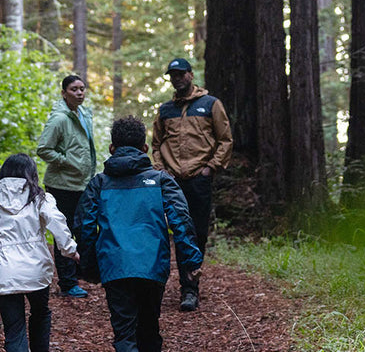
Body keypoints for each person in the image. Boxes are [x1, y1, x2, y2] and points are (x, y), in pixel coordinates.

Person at [77, 117, 203, 352]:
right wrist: (191, 262)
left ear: (112, 149)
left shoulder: (99, 183)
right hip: (152, 266)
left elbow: (84, 225)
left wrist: (89, 265)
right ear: (145, 148)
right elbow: (182, 222)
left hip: (114, 266)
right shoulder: (161, 181)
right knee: (149, 328)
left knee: (124, 333)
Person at [0, 153, 80, 352]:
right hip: (36, 269)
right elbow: (56, 221)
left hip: (7, 271)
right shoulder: (40, 197)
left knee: (15, 331)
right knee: (40, 314)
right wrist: (70, 250)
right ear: (31, 173)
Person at [149, 58, 232, 312]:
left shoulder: (210, 104)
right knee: (174, 233)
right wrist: (162, 171)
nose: (177, 78)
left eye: (181, 73)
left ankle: (191, 286)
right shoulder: (165, 110)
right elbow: (155, 145)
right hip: (173, 181)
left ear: (190, 74)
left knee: (197, 233)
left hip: (199, 179)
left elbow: (225, 140)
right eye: (173, 75)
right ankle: (178, 287)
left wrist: (210, 168)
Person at [35, 75, 98, 298]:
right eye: (74, 89)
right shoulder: (59, 119)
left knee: (81, 229)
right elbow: (43, 148)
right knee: (64, 232)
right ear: (64, 93)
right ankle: (67, 282)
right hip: (62, 185)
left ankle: (78, 274)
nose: (80, 93)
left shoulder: (84, 114)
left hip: (82, 183)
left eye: (82, 89)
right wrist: (67, 162)